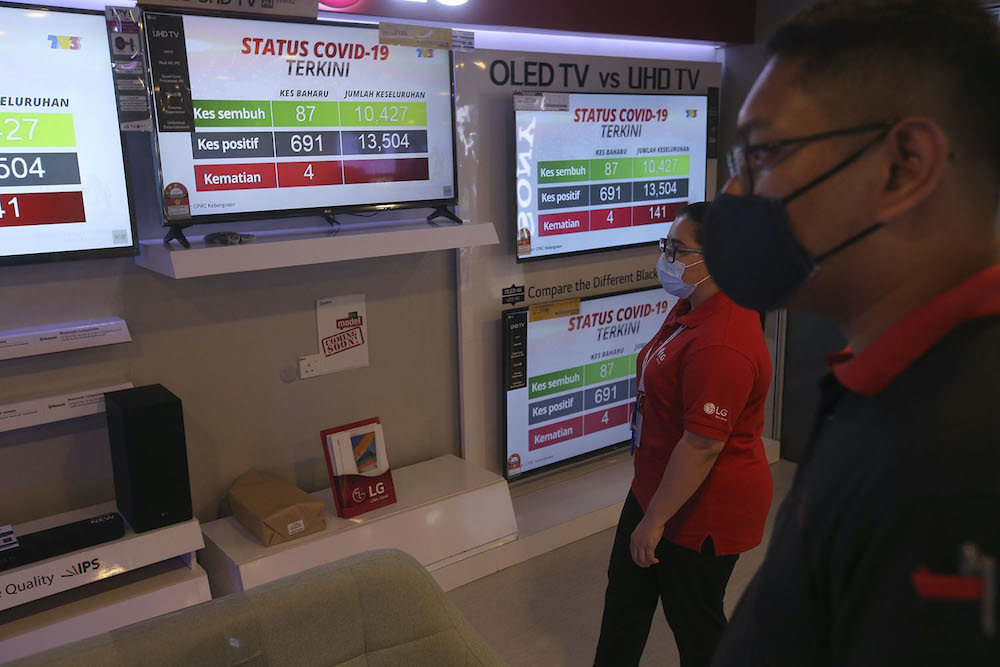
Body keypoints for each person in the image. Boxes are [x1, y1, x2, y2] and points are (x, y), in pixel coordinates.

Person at [702, 1, 1000, 665]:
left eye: (763, 152)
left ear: (903, 166)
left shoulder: (956, 474)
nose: (731, 191)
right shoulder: (898, 386)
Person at [594, 203, 773, 667]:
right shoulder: (692, 304)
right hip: (655, 488)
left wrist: (654, 522)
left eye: (677, 248)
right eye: (666, 245)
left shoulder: (724, 341)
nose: (666, 256)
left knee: (695, 624)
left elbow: (702, 444)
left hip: (702, 511)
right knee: (624, 608)